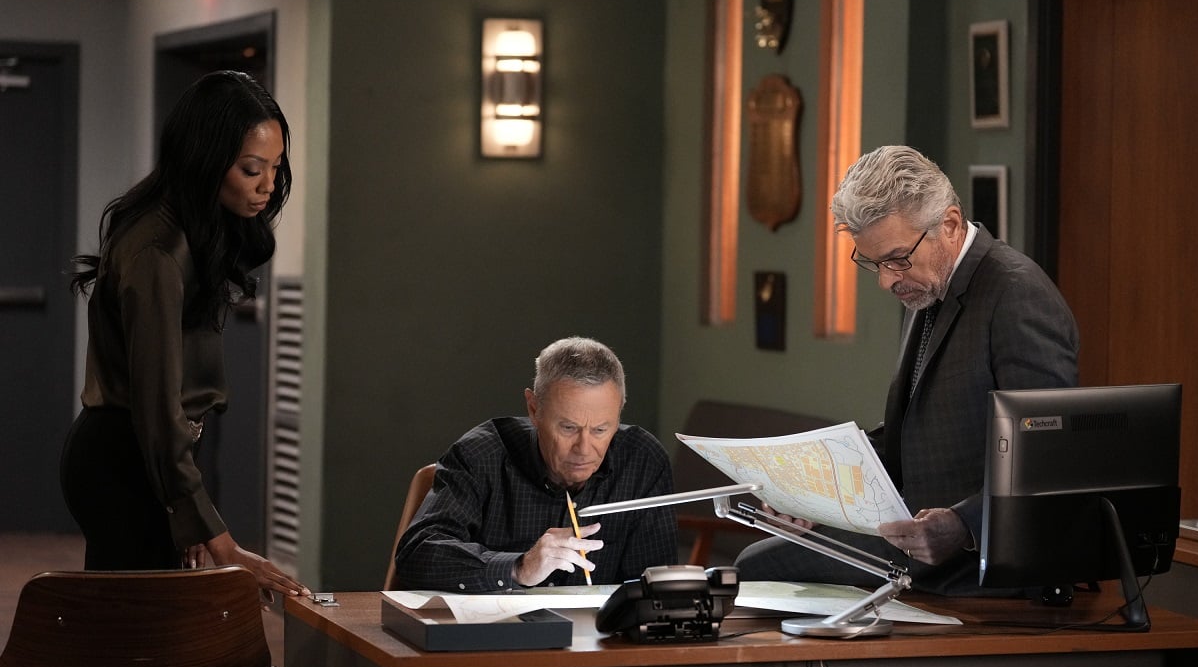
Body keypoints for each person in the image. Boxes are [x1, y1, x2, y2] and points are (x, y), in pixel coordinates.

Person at [735, 145, 1079, 595]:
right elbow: (907, 439)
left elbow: (1051, 456)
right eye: (874, 263)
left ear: (950, 225)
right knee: (754, 564)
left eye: (897, 258)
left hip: (978, 555)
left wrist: (962, 524)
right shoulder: (927, 285)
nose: (886, 279)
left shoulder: (1016, 294)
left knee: (758, 572)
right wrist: (808, 492)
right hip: (915, 532)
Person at [62, 70, 309, 598]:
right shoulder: (156, 249)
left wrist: (188, 510)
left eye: (276, 166)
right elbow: (155, 407)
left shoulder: (196, 229)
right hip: (126, 459)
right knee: (136, 642)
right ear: (205, 160)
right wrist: (213, 534)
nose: (268, 185)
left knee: (155, 637)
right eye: (251, 169)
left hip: (157, 458)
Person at [392, 336, 678, 591]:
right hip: (495, 640)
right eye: (568, 428)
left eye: (601, 430)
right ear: (534, 409)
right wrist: (518, 568)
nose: (583, 448)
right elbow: (417, 554)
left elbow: (654, 585)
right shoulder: (482, 453)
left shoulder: (642, 460)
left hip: (600, 642)